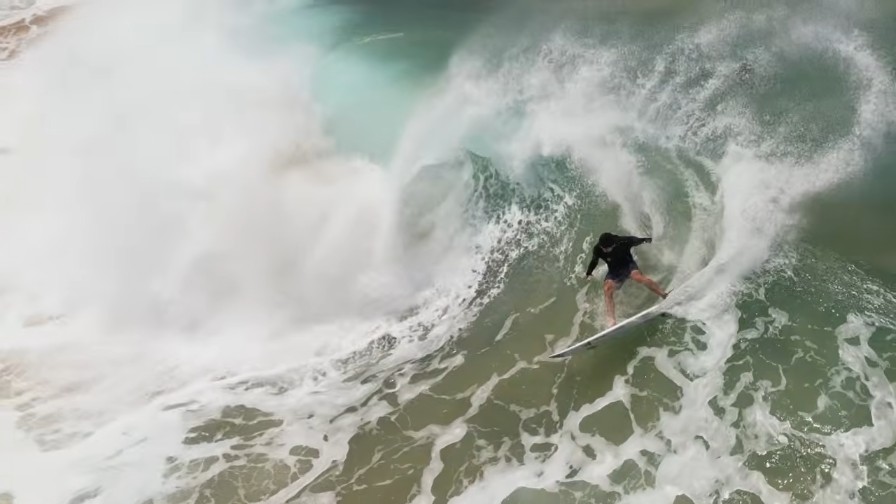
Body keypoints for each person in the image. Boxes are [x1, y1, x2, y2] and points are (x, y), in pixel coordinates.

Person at [584, 232, 668, 326]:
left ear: (613, 244)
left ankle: (664, 294)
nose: (604, 250)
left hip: (628, 266)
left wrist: (651, 240)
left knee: (638, 277)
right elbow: (594, 261)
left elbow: (638, 240)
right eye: (603, 248)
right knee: (607, 289)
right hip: (614, 272)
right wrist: (589, 272)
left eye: (606, 248)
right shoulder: (598, 248)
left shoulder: (623, 241)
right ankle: (611, 321)